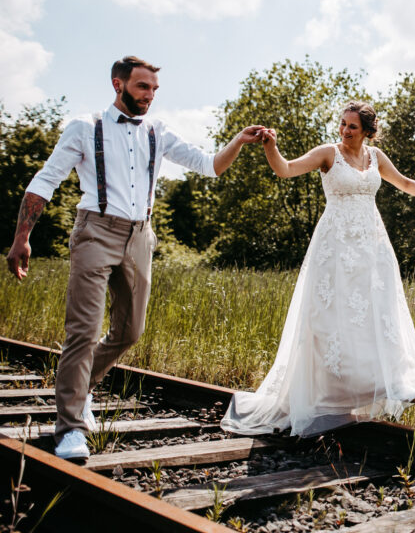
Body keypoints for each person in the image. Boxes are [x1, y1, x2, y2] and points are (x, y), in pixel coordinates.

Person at [4, 56, 265, 461]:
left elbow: (208, 167)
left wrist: (238, 141)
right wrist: (23, 237)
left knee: (130, 331)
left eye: (155, 89)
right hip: (94, 230)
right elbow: (46, 180)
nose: (150, 95)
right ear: (118, 84)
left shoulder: (158, 131)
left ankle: (80, 389)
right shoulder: (84, 126)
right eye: (143, 87)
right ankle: (70, 427)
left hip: (140, 236)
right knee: (83, 332)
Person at [221, 100, 415, 437]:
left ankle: (379, 387)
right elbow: (286, 169)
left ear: (367, 131)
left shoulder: (376, 158)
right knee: (330, 320)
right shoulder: (328, 153)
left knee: (373, 317)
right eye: (342, 124)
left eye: (352, 126)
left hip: (372, 248)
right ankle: (324, 399)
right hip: (335, 247)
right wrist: (271, 147)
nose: (345, 130)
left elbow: (405, 183)